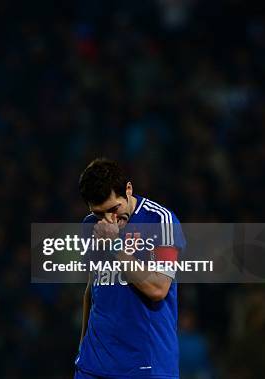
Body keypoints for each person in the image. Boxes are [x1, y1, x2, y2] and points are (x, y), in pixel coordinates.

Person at [75, 158, 186, 379]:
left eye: (114, 209)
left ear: (128, 189)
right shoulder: (90, 225)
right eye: (99, 213)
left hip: (146, 366)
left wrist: (116, 246)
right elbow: (92, 290)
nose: (109, 221)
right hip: (93, 366)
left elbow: (158, 288)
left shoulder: (161, 221)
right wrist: (82, 351)